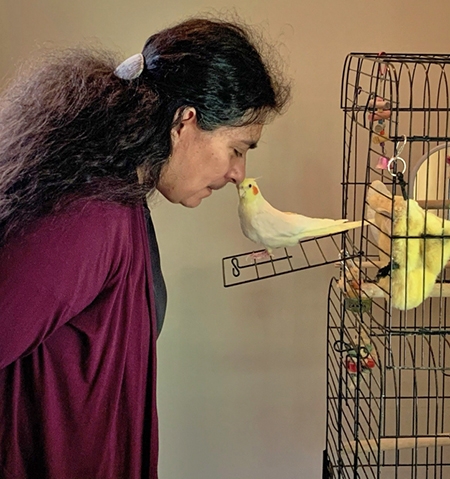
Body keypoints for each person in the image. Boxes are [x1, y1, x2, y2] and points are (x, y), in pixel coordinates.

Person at [0, 17, 290, 479]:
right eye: (238, 148)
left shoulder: (124, 201)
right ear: (185, 121)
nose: (240, 172)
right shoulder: (94, 216)